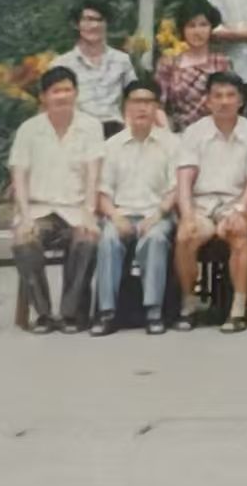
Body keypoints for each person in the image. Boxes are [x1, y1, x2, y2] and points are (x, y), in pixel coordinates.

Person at [9, 67, 103, 334]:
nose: (62, 96)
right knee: (23, 240)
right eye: (55, 91)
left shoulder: (90, 127)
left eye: (67, 90)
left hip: (75, 209)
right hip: (39, 211)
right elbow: (19, 176)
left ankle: (70, 313)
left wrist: (89, 213)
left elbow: (93, 175)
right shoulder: (29, 130)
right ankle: (44, 314)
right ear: (43, 97)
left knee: (88, 238)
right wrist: (24, 216)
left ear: (76, 93)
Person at [173, 71, 247, 333]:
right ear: (208, 100)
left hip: (237, 202)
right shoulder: (194, 132)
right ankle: (189, 305)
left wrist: (240, 210)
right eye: (217, 96)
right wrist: (187, 215)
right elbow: (184, 178)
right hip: (202, 204)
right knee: (185, 235)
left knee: (238, 232)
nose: (224, 101)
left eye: (230, 95)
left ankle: (238, 309)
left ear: (240, 100)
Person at [92, 80, 179, 336]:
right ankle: (106, 313)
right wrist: (115, 216)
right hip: (121, 213)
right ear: (125, 108)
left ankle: (153, 311)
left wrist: (157, 215)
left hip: (157, 214)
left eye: (148, 102)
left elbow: (175, 190)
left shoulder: (172, 144)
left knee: (155, 239)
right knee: (108, 239)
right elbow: (103, 193)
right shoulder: (111, 146)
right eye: (136, 102)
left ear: (157, 108)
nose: (142, 108)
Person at [53, 0, 136, 135]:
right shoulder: (62, 64)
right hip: (77, 133)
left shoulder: (122, 61)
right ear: (77, 24)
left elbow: (135, 97)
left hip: (114, 131)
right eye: (88, 20)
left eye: (99, 20)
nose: (94, 25)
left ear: (106, 24)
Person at [155, 0, 232, 132]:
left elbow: (230, 103)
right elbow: (158, 105)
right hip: (178, 133)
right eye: (191, 26)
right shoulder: (168, 63)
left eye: (203, 25)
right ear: (183, 29)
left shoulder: (221, 62)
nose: (197, 31)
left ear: (211, 27)